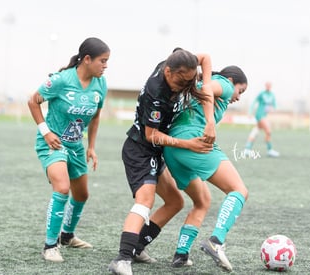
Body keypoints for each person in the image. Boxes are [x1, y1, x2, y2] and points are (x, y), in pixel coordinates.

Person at [108, 48, 216, 275]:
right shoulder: (156, 92)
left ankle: (137, 247)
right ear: (168, 71)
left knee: (175, 201)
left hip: (156, 152)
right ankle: (122, 258)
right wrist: (189, 144)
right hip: (140, 149)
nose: (185, 85)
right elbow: (152, 136)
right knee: (145, 199)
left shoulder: (178, 66)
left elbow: (204, 57)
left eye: (190, 80)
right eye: (181, 80)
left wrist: (205, 91)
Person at [27, 37, 110, 262]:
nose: (105, 65)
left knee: (82, 194)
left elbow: (95, 116)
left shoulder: (101, 84)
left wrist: (91, 146)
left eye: (107, 61)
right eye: (102, 61)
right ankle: (50, 246)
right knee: (62, 188)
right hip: (52, 143)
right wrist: (46, 132)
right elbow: (33, 101)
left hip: (75, 146)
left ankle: (67, 236)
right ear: (86, 59)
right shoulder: (62, 80)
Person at [163, 65, 248, 272]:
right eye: (241, 90)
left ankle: (181, 254)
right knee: (239, 190)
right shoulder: (225, 85)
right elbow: (210, 88)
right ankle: (216, 241)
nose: (238, 97)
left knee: (202, 201)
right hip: (194, 141)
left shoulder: (198, 84)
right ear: (231, 80)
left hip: (173, 148)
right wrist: (210, 121)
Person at [244, 81, 280, 157]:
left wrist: (272, 109)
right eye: (267, 85)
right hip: (259, 115)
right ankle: (269, 150)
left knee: (256, 131)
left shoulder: (272, 95)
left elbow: (274, 105)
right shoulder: (261, 94)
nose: (268, 86)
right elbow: (254, 102)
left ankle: (247, 149)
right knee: (268, 131)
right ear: (265, 86)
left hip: (264, 115)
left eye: (269, 85)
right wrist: (250, 112)